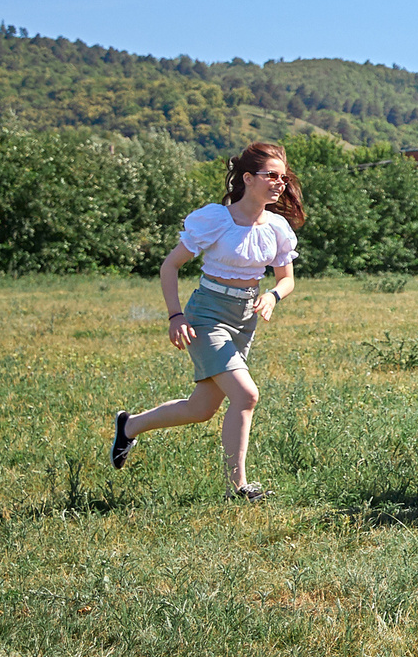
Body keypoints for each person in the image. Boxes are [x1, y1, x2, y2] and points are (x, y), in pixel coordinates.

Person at [111, 143, 304, 501]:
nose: (279, 183)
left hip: (245, 318)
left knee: (201, 409)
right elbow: (169, 266)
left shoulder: (277, 227)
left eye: (283, 177)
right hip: (207, 315)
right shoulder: (216, 219)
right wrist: (175, 315)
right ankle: (240, 488)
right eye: (271, 176)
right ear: (248, 178)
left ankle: (130, 425)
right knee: (247, 395)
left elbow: (286, 278)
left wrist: (273, 295)